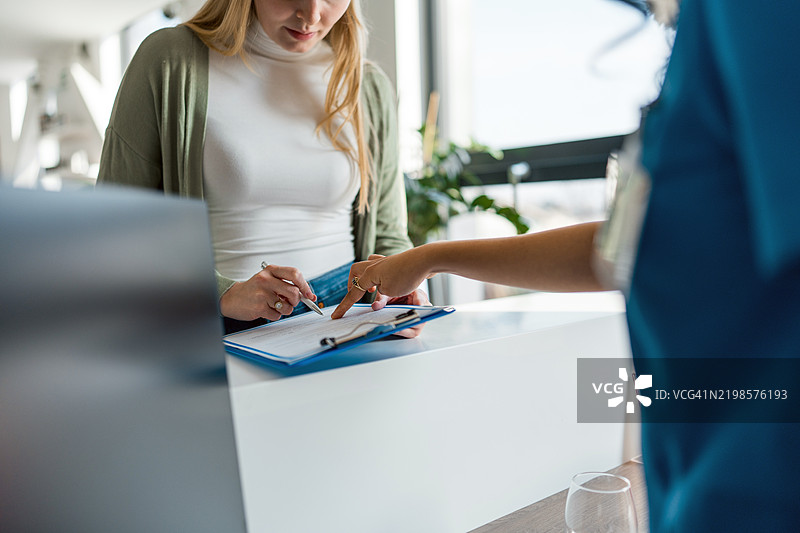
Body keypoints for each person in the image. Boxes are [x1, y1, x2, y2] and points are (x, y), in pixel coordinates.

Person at [334, 0, 800, 530]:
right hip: (699, 480)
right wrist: (431, 258)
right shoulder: (704, 33)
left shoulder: (761, 18)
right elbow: (622, 248)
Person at [97, 0, 427, 334]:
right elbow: (115, 231)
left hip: (350, 317)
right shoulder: (170, 61)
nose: (312, 15)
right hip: (221, 324)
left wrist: (403, 289)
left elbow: (388, 234)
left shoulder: (367, 86)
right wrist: (225, 293)